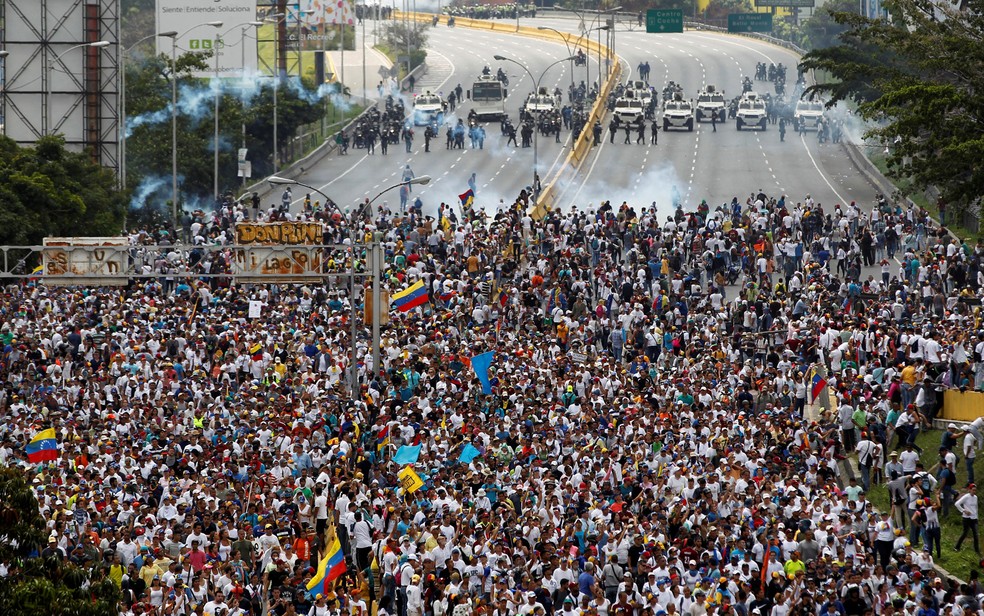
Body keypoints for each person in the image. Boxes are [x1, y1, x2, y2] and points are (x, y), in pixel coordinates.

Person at [955, 483, 980, 554]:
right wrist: (964, 510)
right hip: (967, 518)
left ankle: (977, 550)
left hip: (974, 518)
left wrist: (977, 517)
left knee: (976, 534)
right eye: (973, 490)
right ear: (969, 490)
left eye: (975, 490)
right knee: (965, 533)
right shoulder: (966, 497)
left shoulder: (975, 497)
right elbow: (957, 504)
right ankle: (957, 547)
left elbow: (976, 508)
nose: (974, 491)